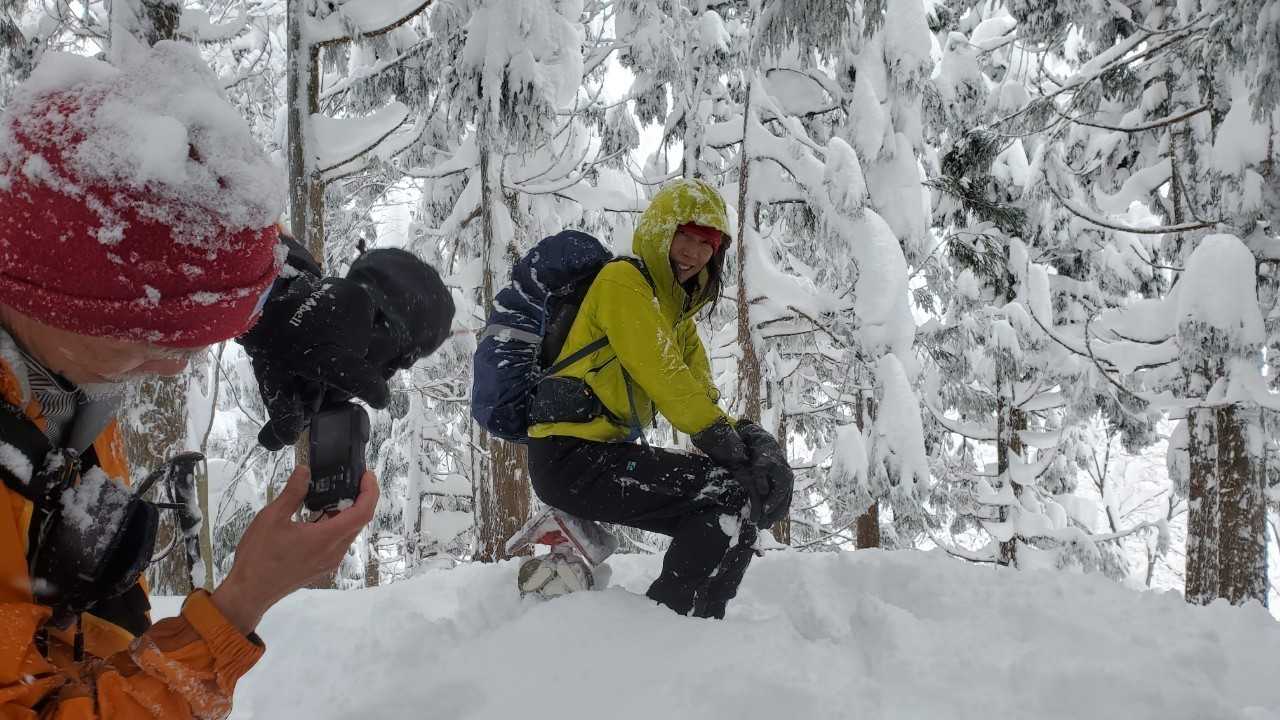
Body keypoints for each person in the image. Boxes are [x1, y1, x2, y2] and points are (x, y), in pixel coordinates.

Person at [0, 43, 453, 718]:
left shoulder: (56, 344)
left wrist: (278, 297)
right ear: (49, 298)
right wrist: (237, 609)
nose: (173, 364)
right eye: (150, 339)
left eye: (195, 338)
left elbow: (134, 234)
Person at [524, 179, 794, 619]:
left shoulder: (677, 318)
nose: (693, 252)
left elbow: (700, 394)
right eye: (684, 235)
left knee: (739, 498)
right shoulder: (622, 282)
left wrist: (750, 441)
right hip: (567, 457)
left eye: (706, 244)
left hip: (603, 455)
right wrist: (727, 446)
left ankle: (702, 623)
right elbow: (664, 376)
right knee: (730, 494)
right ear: (659, 230)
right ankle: (667, 624)